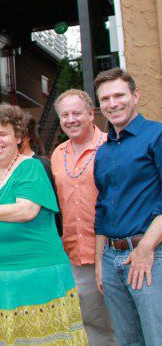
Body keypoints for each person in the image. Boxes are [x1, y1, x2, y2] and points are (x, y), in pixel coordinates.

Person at [0, 102, 87, 345]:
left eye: (3, 133)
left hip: (33, 277)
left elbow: (26, 210)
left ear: (18, 136)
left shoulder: (29, 167)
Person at [93, 68, 162, 345]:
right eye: (105, 98)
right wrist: (99, 263)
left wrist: (146, 248)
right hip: (111, 259)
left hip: (151, 255)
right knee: (128, 340)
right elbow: (102, 208)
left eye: (119, 95)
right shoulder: (104, 150)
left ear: (135, 96)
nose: (113, 103)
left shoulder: (156, 135)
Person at [51, 89, 116, 345]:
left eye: (77, 113)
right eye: (65, 115)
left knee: (121, 320)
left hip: (110, 251)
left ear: (91, 114)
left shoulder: (111, 147)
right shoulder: (58, 154)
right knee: (90, 320)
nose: (71, 119)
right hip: (76, 253)